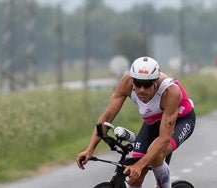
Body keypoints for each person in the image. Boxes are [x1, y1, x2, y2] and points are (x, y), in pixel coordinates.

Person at [76, 56, 196, 188]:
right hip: (153, 122)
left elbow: (164, 138)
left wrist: (140, 165)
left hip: (180, 121)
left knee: (156, 156)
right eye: (138, 84)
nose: (142, 90)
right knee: (134, 177)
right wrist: (90, 149)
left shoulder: (170, 92)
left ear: (156, 81)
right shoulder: (126, 83)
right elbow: (106, 118)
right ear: (132, 80)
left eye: (147, 84)